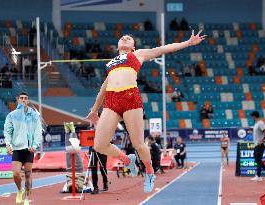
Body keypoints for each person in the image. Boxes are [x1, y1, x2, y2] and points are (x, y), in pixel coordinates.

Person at [85, 30, 206, 193]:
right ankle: (127, 160)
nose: (125, 37)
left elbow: (164, 48)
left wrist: (188, 43)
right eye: (122, 37)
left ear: (133, 47)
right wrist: (94, 110)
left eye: (129, 38)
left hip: (130, 98)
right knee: (99, 145)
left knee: (139, 145)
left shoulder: (138, 55)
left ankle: (149, 172)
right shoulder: (111, 63)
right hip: (112, 101)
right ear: (117, 46)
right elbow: (103, 89)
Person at [4, 92, 42, 205]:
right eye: (22, 98)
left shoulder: (34, 115)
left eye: (26, 98)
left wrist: (35, 145)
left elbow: (38, 131)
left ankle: (26, 198)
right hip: (17, 148)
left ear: (28, 101)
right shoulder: (12, 115)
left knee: (28, 174)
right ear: (18, 100)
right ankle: (20, 190)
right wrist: (8, 144)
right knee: (15, 174)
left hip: (29, 149)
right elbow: (7, 130)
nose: (24, 100)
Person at [250, 111, 265, 181]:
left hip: (260, 144)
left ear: (254, 116)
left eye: (252, 116)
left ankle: (258, 176)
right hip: (257, 144)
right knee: (257, 159)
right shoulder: (256, 124)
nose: (252, 118)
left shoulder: (260, 123)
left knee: (258, 160)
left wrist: (261, 140)